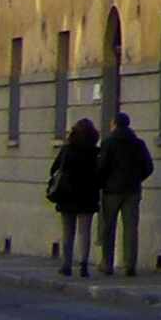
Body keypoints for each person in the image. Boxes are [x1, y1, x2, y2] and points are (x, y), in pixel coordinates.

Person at [95, 111, 154, 276]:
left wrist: (101, 183)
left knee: (109, 227)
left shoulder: (108, 143)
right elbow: (148, 166)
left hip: (111, 191)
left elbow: (102, 167)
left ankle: (107, 263)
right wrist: (137, 179)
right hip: (132, 190)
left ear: (114, 124)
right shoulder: (138, 143)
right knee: (131, 228)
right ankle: (130, 264)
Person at [47, 118, 101, 278]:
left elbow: (54, 169)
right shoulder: (94, 152)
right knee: (85, 232)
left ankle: (67, 264)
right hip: (87, 195)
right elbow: (100, 173)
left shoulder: (67, 150)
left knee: (68, 232)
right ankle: (84, 264)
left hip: (67, 195)